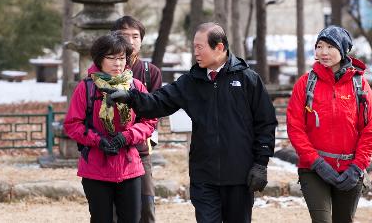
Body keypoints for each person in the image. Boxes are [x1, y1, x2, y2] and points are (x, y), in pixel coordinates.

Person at [105, 22, 277, 223]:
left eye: (200, 47)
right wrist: (130, 97)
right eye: (194, 46)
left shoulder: (248, 79)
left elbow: (266, 123)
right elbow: (158, 102)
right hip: (203, 176)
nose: (195, 52)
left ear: (219, 47)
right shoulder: (191, 81)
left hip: (239, 176)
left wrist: (261, 164)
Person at [63, 33, 157, 223]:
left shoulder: (135, 86)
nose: (117, 63)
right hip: (96, 167)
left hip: (130, 165)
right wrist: (98, 140)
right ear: (100, 59)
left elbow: (149, 120)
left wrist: (127, 136)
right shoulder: (86, 87)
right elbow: (73, 124)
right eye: (111, 58)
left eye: (122, 58)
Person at [287, 25, 372, 223]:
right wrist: (317, 163)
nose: (323, 52)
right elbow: (295, 127)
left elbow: (369, 129)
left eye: (330, 47)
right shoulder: (305, 83)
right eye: (319, 46)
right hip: (313, 169)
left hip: (350, 169)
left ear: (342, 50)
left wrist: (357, 167)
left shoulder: (360, 85)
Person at [111, 16, 162, 223]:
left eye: (135, 36)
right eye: (124, 36)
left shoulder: (150, 73)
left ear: (141, 40)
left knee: (146, 207)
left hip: (139, 149)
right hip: (108, 148)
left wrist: (131, 135)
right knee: (110, 211)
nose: (130, 41)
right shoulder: (104, 72)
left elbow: (154, 113)